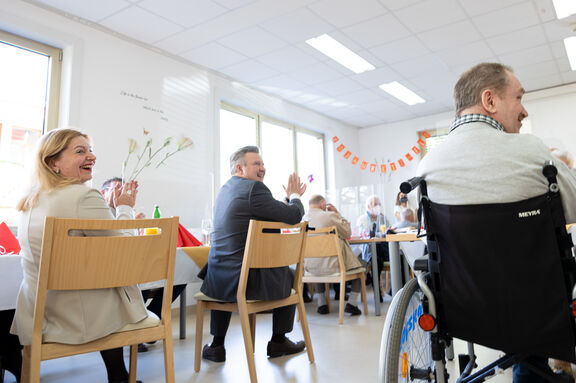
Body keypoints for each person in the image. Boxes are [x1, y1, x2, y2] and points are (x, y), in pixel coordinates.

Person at [417, 63, 576, 383]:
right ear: (490, 100)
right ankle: (532, 367)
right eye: (518, 98)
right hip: (537, 306)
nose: (524, 111)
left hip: (463, 310)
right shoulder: (532, 150)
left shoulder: (427, 166)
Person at [11, 128, 149, 383]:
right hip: (78, 317)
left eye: (90, 150)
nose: (92, 156)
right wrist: (125, 209)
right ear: (54, 162)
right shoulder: (84, 195)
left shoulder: (31, 199)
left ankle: (118, 375)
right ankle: (120, 375)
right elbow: (126, 253)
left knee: (104, 284)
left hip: (38, 311)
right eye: (80, 151)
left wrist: (110, 210)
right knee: (119, 285)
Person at [199, 146, 307, 363]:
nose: (263, 168)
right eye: (256, 164)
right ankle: (278, 340)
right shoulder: (254, 190)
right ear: (239, 168)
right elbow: (294, 215)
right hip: (243, 280)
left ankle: (216, 345)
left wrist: (285, 200)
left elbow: (273, 212)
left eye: (262, 163)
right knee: (289, 273)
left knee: (261, 267)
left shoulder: (226, 190)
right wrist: (294, 196)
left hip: (217, 279)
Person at [101, 177, 186, 353]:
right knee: (139, 277)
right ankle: (140, 326)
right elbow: (121, 246)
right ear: (103, 194)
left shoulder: (127, 213)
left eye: (124, 191)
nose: (121, 194)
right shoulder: (100, 213)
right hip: (114, 274)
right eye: (116, 189)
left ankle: (150, 318)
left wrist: (137, 224)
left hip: (134, 265)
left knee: (179, 275)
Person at [302, 195, 363, 315]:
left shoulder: (302, 220)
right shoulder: (329, 216)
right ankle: (352, 304)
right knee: (361, 268)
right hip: (333, 266)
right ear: (323, 204)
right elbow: (347, 232)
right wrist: (337, 213)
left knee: (318, 263)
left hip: (310, 269)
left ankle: (322, 303)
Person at [356, 195, 390, 298]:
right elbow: (363, 235)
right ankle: (377, 290)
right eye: (375, 204)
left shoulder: (383, 218)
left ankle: (395, 291)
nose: (378, 206)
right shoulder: (362, 219)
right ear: (368, 206)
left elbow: (389, 231)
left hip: (384, 249)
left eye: (379, 204)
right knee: (377, 261)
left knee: (400, 258)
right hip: (370, 251)